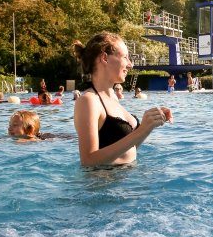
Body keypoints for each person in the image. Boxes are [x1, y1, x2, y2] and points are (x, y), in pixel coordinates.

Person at [72, 32, 172, 166]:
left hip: (124, 182)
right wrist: (141, 130)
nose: (130, 65)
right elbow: (88, 161)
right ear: (105, 58)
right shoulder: (88, 101)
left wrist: (148, 126)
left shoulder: (113, 97)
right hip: (103, 185)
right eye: (125, 57)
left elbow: (126, 150)